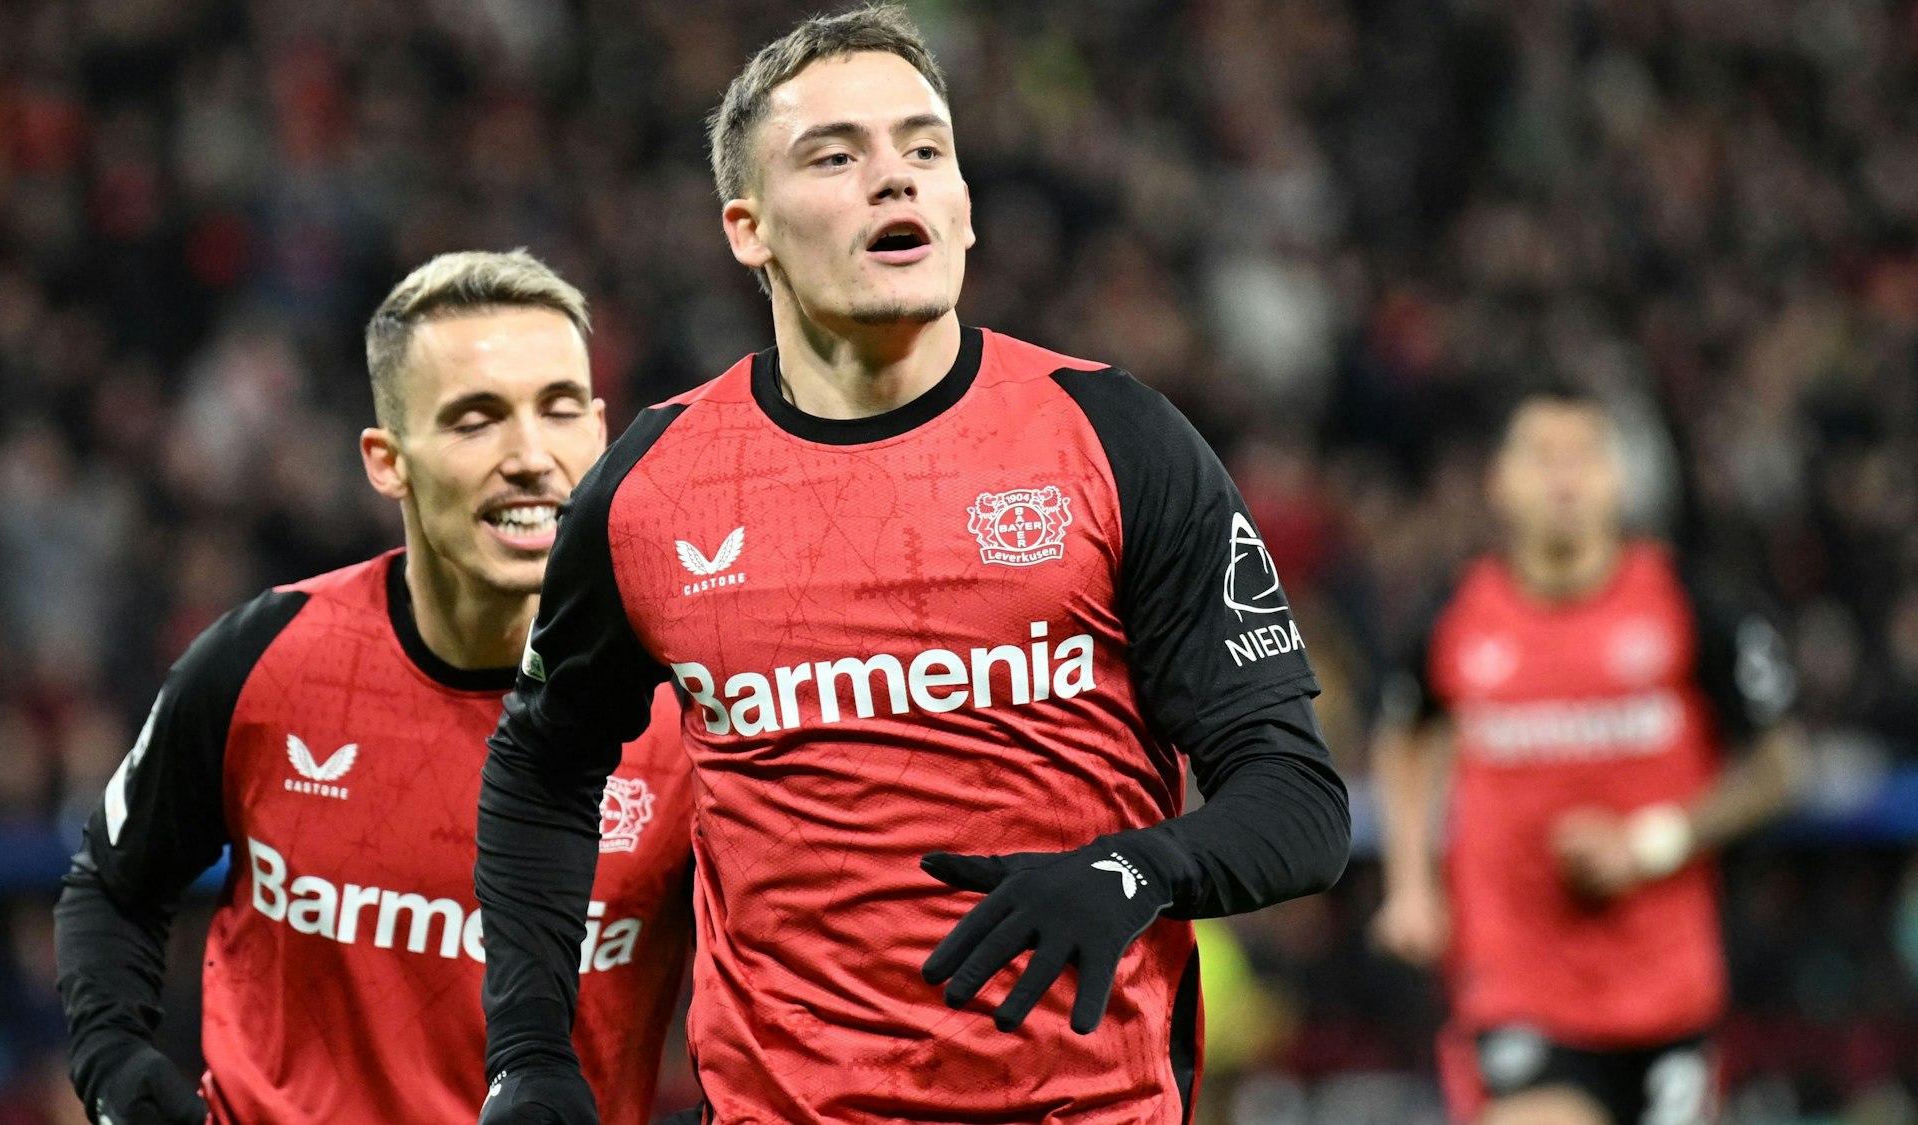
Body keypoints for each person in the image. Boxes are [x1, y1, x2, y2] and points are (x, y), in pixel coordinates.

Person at [471, 7, 1350, 1124]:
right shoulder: (648, 489)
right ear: (747, 228)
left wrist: (1135, 870)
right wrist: (528, 1052)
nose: (895, 177)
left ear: (963, 209)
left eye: (924, 149)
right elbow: (540, 772)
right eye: (835, 157)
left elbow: (1296, 799)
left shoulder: (1114, 437)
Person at [53, 251, 696, 1125]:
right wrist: (115, 1063)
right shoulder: (262, 660)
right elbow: (112, 885)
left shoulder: (684, 706)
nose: (530, 456)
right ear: (387, 460)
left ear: (599, 432)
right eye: (476, 420)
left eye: (557, 410)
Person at [1370, 390, 1801, 1125]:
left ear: (1619, 480)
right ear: (1500, 482)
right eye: (1542, 456)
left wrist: (1653, 843)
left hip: (1666, 985)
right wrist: (1411, 882)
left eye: (1585, 456)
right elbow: (1403, 732)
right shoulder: (1455, 616)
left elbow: (1778, 765)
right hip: (1513, 981)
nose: (1564, 477)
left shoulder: (1688, 603)